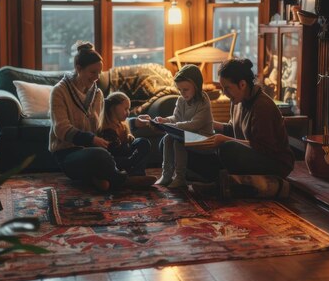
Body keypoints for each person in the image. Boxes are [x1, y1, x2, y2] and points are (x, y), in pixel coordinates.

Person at [49, 41, 156, 191]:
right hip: (68, 154)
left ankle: (111, 177)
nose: (97, 77)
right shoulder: (59, 91)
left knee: (141, 144)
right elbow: (61, 129)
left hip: (96, 150)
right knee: (99, 155)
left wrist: (133, 123)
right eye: (93, 72)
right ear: (78, 69)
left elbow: (105, 123)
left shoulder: (97, 94)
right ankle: (124, 180)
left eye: (99, 72)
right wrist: (91, 139)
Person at [208, 58, 294, 197]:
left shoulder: (262, 106)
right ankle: (230, 182)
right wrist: (209, 124)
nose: (224, 93)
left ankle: (273, 184)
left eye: (227, 88)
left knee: (227, 149)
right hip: (253, 153)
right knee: (204, 150)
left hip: (275, 162)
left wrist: (224, 140)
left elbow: (263, 147)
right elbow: (233, 129)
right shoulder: (237, 100)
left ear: (242, 84)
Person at [152, 64, 213, 188]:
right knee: (167, 138)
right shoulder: (181, 100)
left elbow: (195, 124)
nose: (182, 93)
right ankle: (167, 174)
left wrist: (173, 126)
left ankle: (180, 177)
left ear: (196, 86)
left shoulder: (203, 100)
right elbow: (176, 118)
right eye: (180, 90)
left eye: (186, 89)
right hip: (185, 134)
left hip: (204, 138)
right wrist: (165, 120)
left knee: (178, 141)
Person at [99, 91, 150, 176]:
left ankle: (137, 173)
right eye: (125, 109)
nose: (128, 112)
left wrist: (129, 139)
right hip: (114, 161)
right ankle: (131, 174)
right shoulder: (106, 129)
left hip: (127, 158)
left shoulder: (122, 124)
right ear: (113, 108)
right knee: (129, 158)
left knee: (143, 142)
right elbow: (115, 152)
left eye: (128, 109)